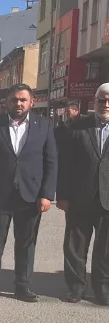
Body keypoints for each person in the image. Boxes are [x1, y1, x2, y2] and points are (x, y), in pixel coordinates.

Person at [0, 85, 57, 302]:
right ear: (7, 102)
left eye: (23, 100)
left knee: (26, 243)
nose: (18, 104)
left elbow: (51, 162)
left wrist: (47, 194)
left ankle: (23, 286)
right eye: (14, 100)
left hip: (30, 195)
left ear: (32, 102)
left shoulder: (44, 126)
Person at [57, 83, 109, 305]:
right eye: (102, 100)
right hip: (79, 197)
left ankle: (102, 289)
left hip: (107, 199)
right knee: (75, 246)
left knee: (105, 249)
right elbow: (65, 163)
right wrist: (62, 195)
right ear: (94, 102)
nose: (105, 104)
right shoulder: (77, 127)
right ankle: (76, 288)